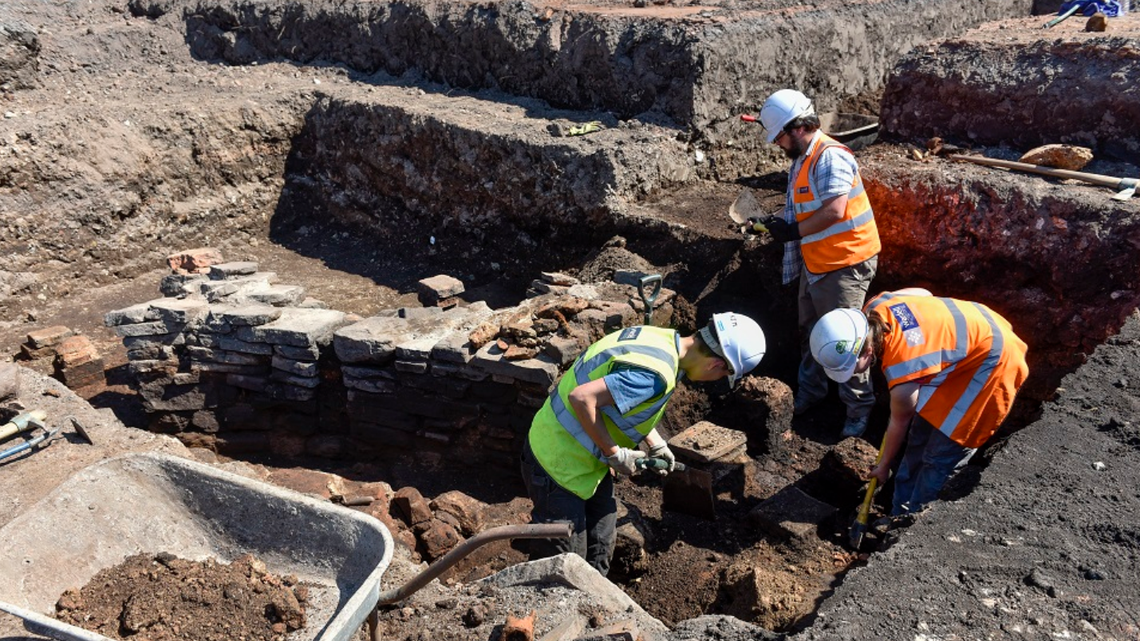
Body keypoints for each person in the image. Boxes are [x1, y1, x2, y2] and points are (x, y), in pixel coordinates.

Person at [521, 312, 766, 575]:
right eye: (722, 376)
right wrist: (615, 454)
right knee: (564, 568)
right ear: (716, 365)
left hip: (583, 462)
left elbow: (626, 402)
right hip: (557, 464)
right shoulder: (654, 377)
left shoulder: (661, 339)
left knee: (600, 546)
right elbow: (581, 398)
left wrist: (656, 442)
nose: (715, 380)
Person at [809, 288, 1029, 517]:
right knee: (919, 438)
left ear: (866, 351)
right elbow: (923, 293)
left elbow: (899, 422)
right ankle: (899, 509)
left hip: (995, 363)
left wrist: (884, 466)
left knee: (940, 456)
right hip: (977, 329)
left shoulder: (903, 370)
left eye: (851, 367)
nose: (853, 374)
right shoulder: (877, 306)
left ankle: (911, 520)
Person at [749, 89, 881, 438]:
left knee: (845, 341)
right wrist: (777, 221)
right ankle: (811, 393)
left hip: (845, 263)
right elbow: (806, 208)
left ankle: (857, 410)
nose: (777, 144)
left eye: (778, 136)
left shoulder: (829, 157)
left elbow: (835, 211)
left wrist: (792, 231)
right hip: (819, 260)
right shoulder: (804, 158)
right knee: (812, 332)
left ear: (795, 128)